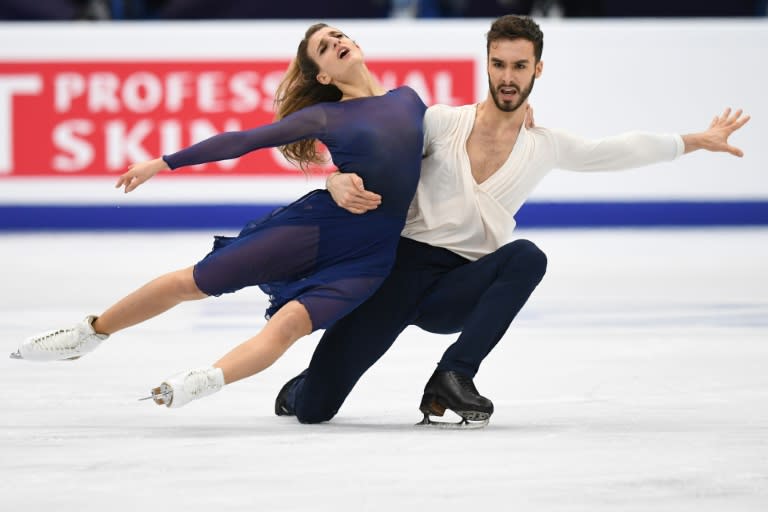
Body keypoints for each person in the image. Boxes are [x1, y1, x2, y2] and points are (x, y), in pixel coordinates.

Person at [274, 15, 750, 427]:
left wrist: (693, 140)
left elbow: (617, 150)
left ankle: (453, 374)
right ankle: (307, 384)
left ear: (536, 69)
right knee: (315, 410)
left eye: (519, 66)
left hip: (458, 285)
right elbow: (375, 155)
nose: (508, 77)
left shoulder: (544, 144)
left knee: (525, 256)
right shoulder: (441, 122)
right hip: (395, 275)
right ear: (487, 64)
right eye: (498, 64)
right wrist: (338, 180)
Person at [10, 23, 428, 409]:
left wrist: (338, 176)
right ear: (322, 76)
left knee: (286, 327)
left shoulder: (408, 100)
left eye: (339, 35)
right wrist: (165, 162)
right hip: (318, 230)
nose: (337, 41)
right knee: (192, 282)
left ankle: (205, 379)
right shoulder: (325, 116)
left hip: (369, 257)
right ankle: (89, 333)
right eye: (324, 45)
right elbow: (243, 141)